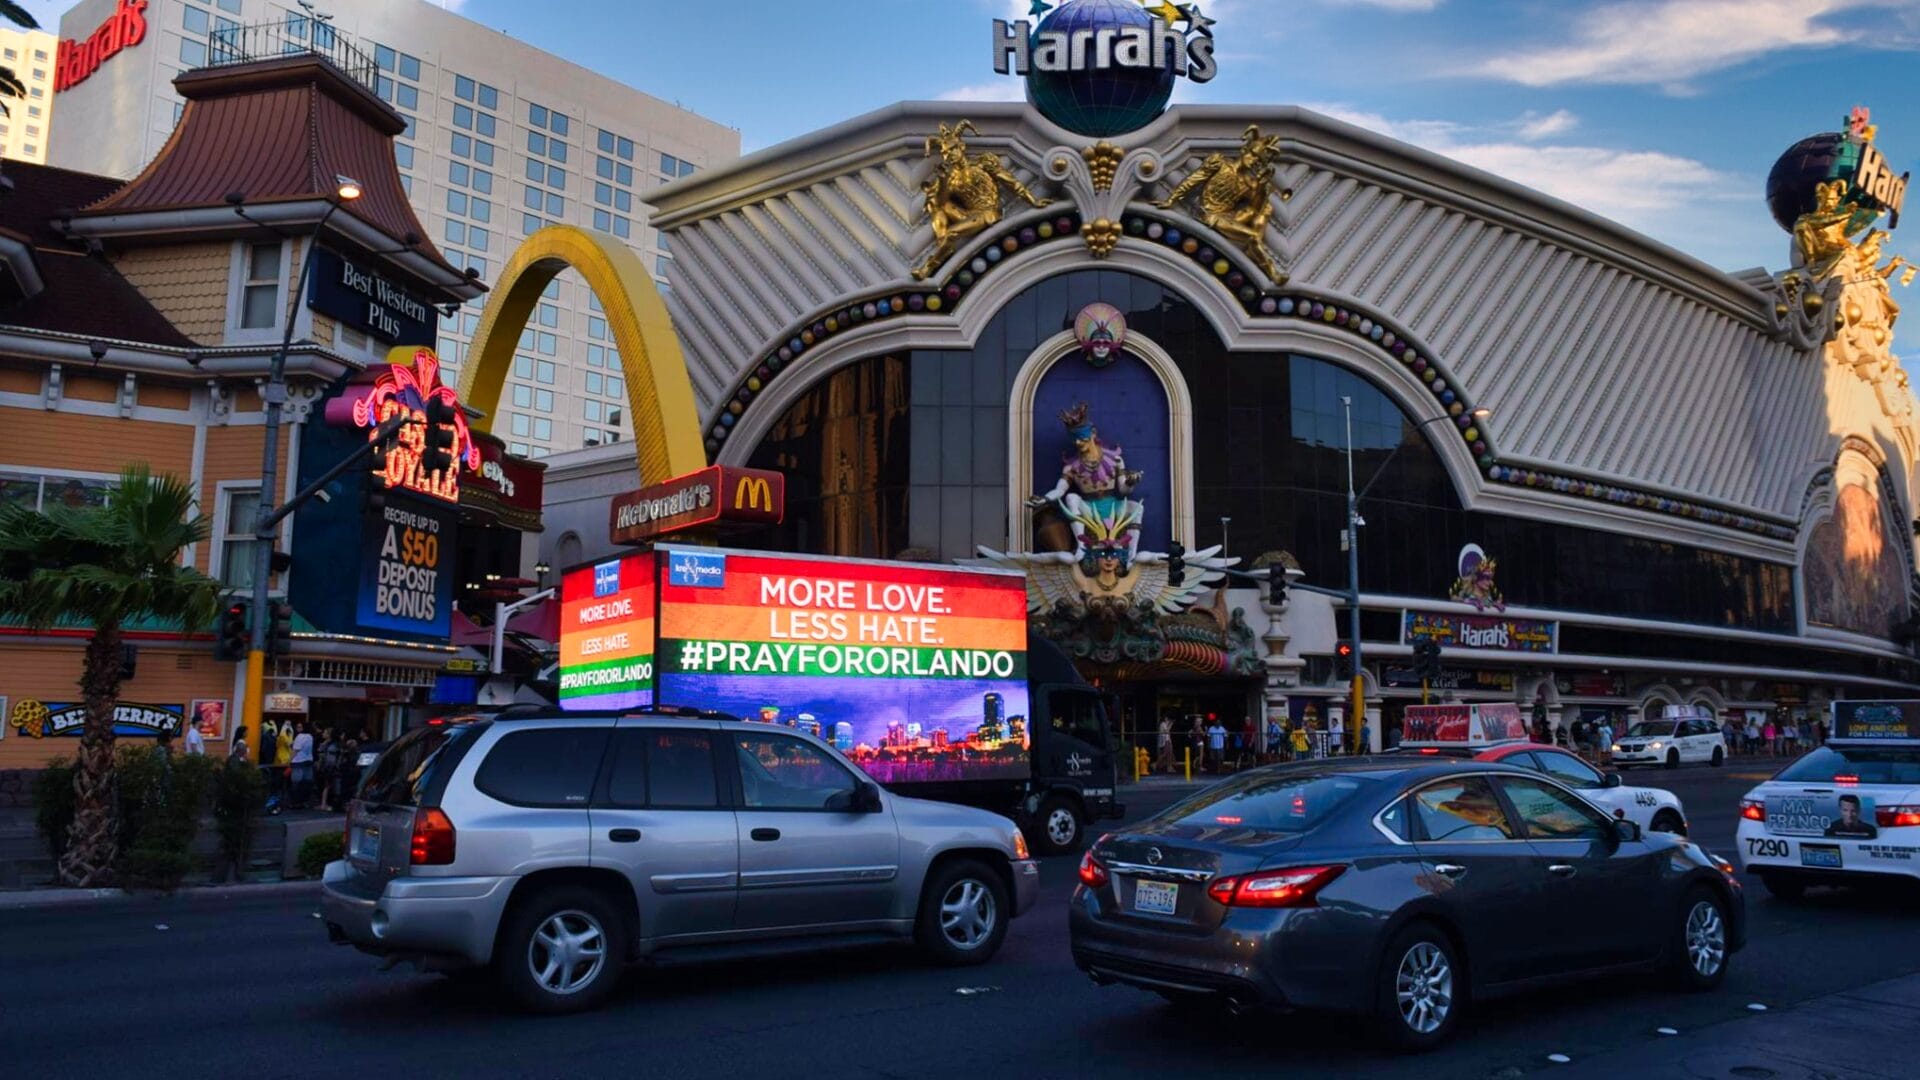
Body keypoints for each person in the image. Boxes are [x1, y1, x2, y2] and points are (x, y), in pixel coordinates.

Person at [289, 721, 315, 810]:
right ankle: (304, 801)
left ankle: (294, 802)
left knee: (296, 783)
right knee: (306, 783)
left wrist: (290, 760)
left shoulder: (299, 737)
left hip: (298, 761)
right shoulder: (310, 736)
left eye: (300, 727)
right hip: (308, 761)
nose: (298, 729)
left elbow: (296, 750)